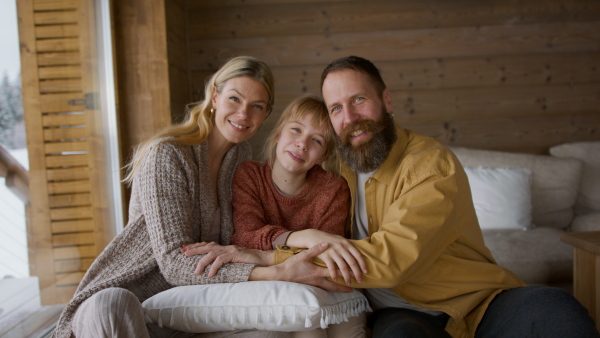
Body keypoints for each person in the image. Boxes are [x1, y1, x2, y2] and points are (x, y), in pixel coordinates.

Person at [270, 55, 600, 338]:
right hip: (398, 312)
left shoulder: (430, 163)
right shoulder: (332, 165)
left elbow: (393, 258)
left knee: (558, 312)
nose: (350, 118)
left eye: (359, 100)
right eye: (336, 108)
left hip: (475, 302)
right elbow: (277, 187)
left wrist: (271, 259)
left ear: (387, 101)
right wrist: (263, 249)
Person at [52, 56, 346, 338]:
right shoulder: (167, 155)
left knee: (268, 332)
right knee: (112, 304)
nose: (243, 114)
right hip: (130, 299)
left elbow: (238, 241)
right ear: (215, 96)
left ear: (265, 116)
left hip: (190, 307)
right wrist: (275, 271)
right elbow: (172, 262)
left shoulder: (239, 160)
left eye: (256, 106)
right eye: (234, 98)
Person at [230, 94, 368, 337]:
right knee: (309, 329)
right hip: (270, 284)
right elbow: (244, 237)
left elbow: (325, 258)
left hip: (321, 284)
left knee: (350, 331)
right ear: (277, 134)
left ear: (324, 156)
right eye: (295, 130)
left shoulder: (333, 188)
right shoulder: (249, 175)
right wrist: (304, 237)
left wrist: (270, 251)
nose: (302, 144)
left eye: (316, 140)